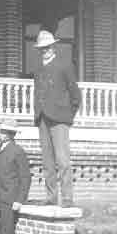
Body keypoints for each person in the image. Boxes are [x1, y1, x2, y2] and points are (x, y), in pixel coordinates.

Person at [33, 29, 81, 208]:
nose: (44, 50)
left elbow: (75, 94)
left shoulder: (64, 65)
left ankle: (67, 199)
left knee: (63, 160)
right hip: (42, 118)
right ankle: (51, 197)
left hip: (60, 119)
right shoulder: (37, 69)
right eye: (41, 48)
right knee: (47, 161)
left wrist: (68, 116)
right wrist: (37, 113)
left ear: (54, 47)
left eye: (47, 47)